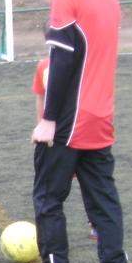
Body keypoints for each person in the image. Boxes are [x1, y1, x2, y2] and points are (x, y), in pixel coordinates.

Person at [28, 0, 127, 263]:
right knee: (104, 204)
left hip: (69, 120)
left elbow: (63, 61)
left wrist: (48, 119)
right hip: (102, 117)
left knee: (48, 202)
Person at [33, 54, 97, 242]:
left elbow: (41, 98)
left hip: (67, 135)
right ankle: (95, 225)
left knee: (50, 190)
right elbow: (41, 97)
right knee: (87, 182)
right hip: (68, 134)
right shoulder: (46, 66)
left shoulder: (49, 66)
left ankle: (50, 237)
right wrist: (41, 126)